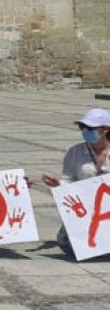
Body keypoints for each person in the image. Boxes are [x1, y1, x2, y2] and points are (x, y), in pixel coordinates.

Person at [42, 108, 110, 256]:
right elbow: (69, 181)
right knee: (68, 246)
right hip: (86, 206)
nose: (84, 131)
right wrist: (58, 184)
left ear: (105, 130)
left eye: (90, 128)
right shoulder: (74, 151)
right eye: (82, 127)